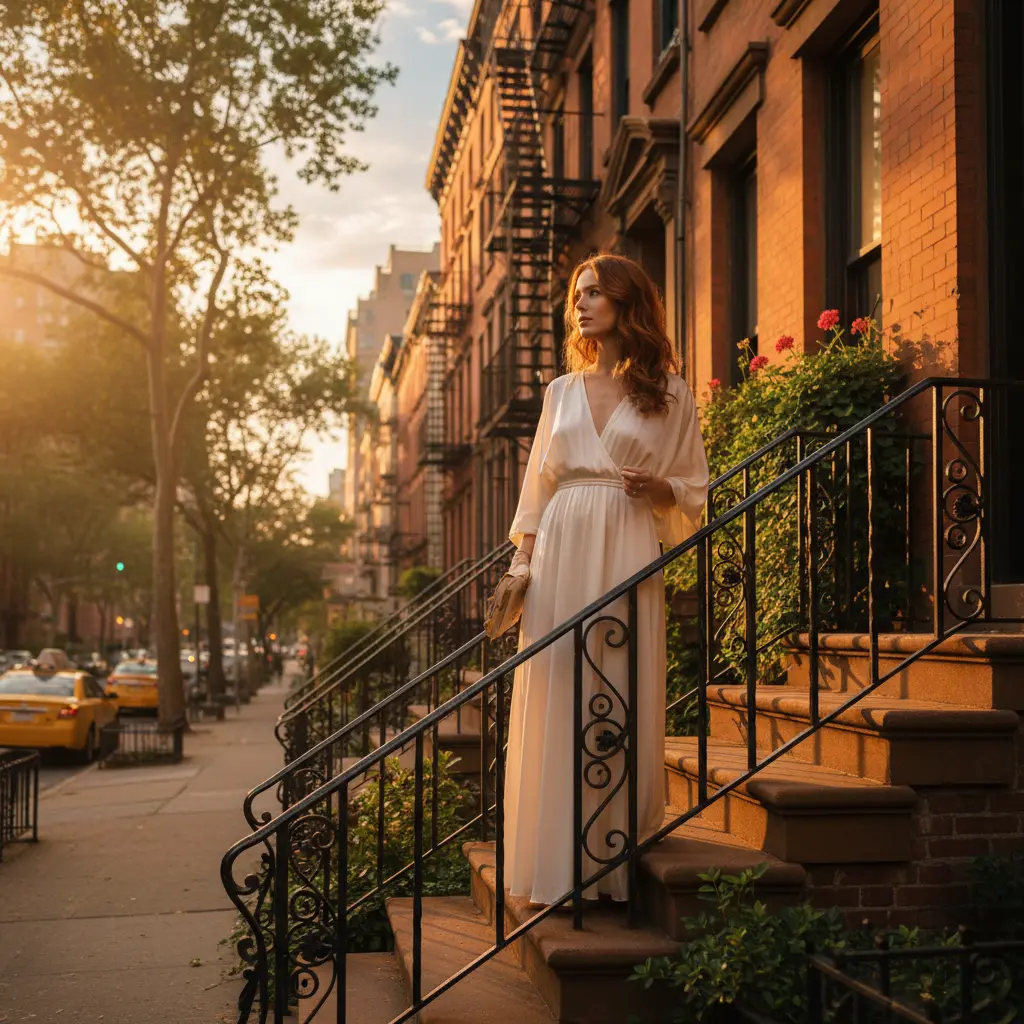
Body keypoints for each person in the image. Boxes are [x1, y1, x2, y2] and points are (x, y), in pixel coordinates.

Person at [503, 253, 709, 907]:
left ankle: (611, 850)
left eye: (595, 293)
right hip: (562, 545)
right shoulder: (561, 391)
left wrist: (660, 487)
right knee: (560, 681)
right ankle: (553, 858)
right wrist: (521, 564)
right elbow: (537, 486)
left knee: (614, 683)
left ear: (628, 301)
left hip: (625, 540)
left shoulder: (671, 394)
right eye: (577, 295)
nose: (581, 305)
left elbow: (696, 487)